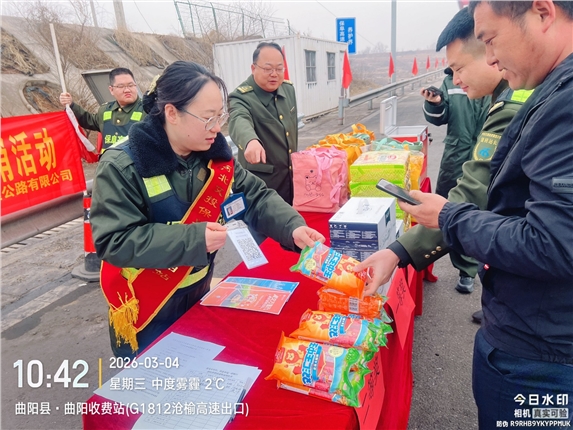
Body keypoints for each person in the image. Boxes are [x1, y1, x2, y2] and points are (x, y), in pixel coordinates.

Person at [362, 1, 573, 427]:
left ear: (542, 12)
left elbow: (552, 242)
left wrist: (448, 217)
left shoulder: (558, 105)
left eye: (491, 40)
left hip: (540, 352)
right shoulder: (546, 91)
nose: (491, 57)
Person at [90, 61, 324, 358]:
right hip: (145, 308)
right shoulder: (123, 165)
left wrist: (292, 227)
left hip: (199, 295)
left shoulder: (213, 155)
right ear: (172, 112)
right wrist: (194, 239)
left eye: (220, 116)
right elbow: (114, 241)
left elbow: (255, 196)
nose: (217, 127)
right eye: (207, 118)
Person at [355, 6, 530, 323]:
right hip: (457, 158)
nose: (456, 79)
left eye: (459, 68)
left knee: (456, 212)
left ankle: (467, 274)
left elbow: (474, 192)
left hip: (526, 278)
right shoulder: (502, 93)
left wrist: (399, 251)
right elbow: (439, 116)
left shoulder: (512, 105)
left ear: (488, 49)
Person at [421, 64, 490, 294]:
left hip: (489, 157)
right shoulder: (451, 81)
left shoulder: (501, 79)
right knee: (451, 207)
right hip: (456, 155)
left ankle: (479, 269)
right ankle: (466, 269)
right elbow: (439, 118)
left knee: (483, 210)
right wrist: (435, 103)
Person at [228, 42, 298, 205]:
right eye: (267, 69)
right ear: (253, 68)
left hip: (291, 182)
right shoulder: (241, 97)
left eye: (279, 69)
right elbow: (239, 119)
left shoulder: (288, 90)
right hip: (261, 187)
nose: (274, 74)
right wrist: (250, 141)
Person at [59, 67, 146, 152]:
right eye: (121, 86)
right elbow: (88, 120)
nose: (127, 90)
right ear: (111, 90)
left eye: (131, 85)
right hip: (107, 161)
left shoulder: (147, 110)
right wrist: (71, 105)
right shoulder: (105, 110)